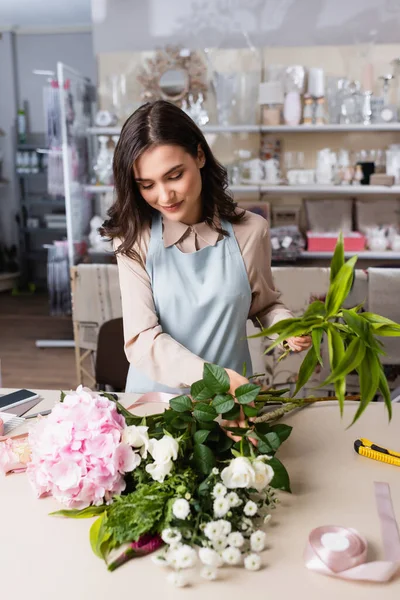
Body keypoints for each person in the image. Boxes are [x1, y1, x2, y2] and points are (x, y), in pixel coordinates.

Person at [101, 100, 311, 395]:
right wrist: (213, 376)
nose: (164, 196)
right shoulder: (134, 239)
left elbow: (263, 304)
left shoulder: (251, 232)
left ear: (199, 155)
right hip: (155, 406)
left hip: (230, 405)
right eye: (147, 185)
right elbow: (142, 339)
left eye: (174, 176)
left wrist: (287, 326)